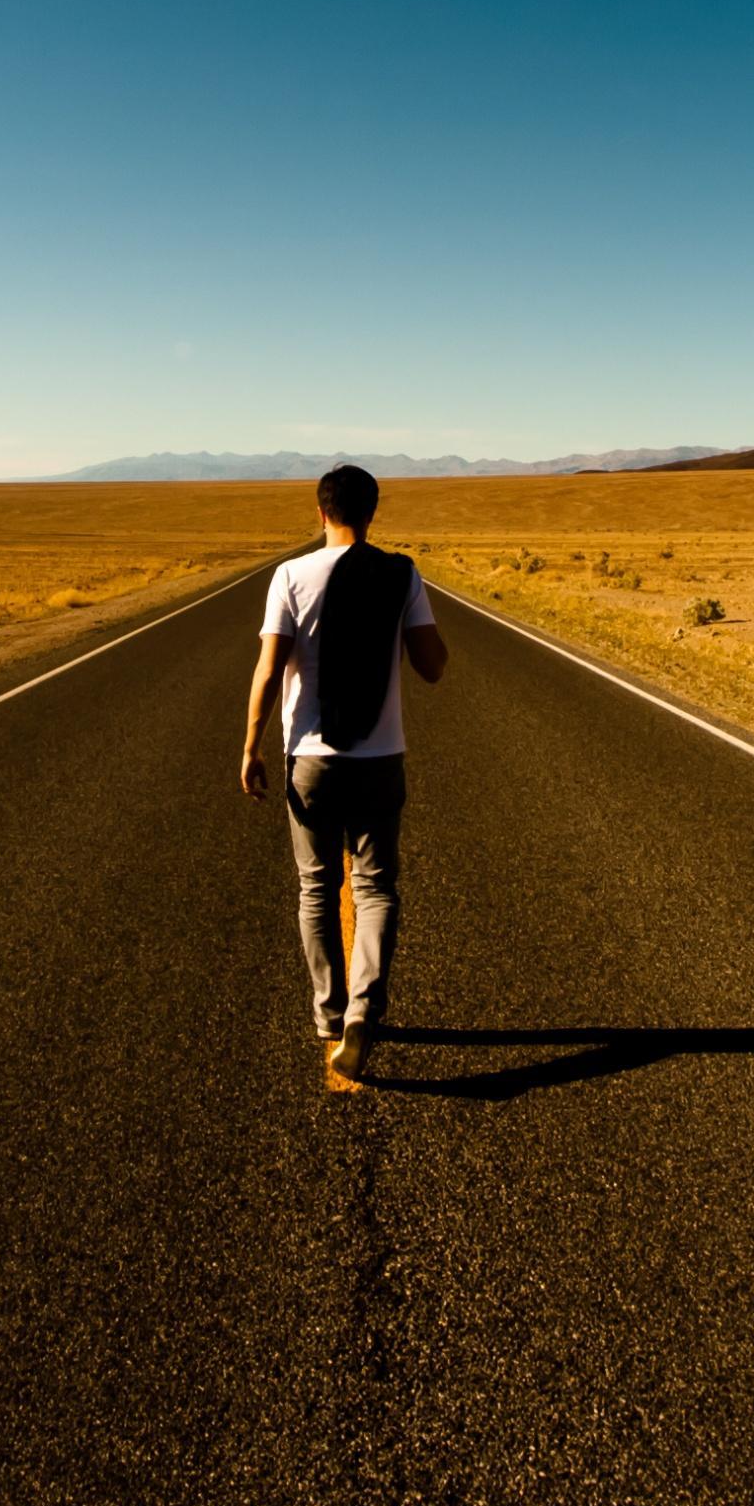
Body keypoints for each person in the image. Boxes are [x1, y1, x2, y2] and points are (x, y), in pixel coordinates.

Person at [239, 464, 449, 1087]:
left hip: (310, 761)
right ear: (373, 513)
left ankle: (330, 1014)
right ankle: (364, 1011)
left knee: (316, 888)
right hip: (380, 760)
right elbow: (433, 666)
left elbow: (268, 669)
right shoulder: (402, 574)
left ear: (320, 512)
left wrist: (250, 744)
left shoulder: (290, 576)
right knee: (376, 889)